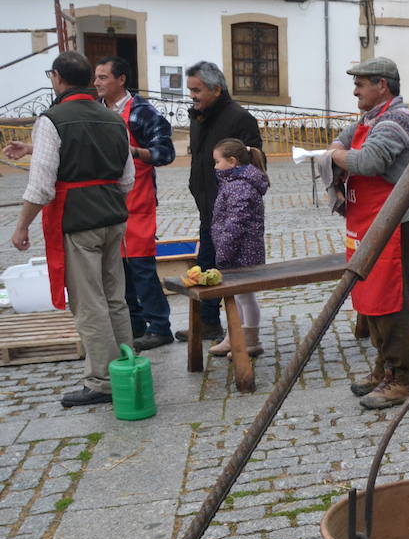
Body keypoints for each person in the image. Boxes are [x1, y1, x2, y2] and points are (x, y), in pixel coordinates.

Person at [4, 52, 134, 407]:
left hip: (78, 221)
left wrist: (21, 226)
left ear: (58, 78)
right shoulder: (112, 118)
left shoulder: (52, 119)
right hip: (113, 217)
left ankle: (103, 381)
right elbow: (127, 179)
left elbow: (41, 185)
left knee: (89, 303)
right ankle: (127, 365)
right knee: (114, 299)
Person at [330, 57, 409, 411]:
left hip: (400, 221)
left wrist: (339, 155)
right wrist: (342, 152)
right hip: (372, 220)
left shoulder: (398, 119)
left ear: (382, 86)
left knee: (391, 299)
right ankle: (384, 368)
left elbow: (369, 162)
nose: (355, 88)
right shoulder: (369, 118)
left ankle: (401, 377)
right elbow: (342, 144)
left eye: (361, 83)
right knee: (371, 296)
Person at [94, 56, 176, 351]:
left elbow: (165, 153)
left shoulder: (141, 112)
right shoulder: (96, 111)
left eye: (103, 77)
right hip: (108, 202)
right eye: (96, 78)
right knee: (119, 268)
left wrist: (135, 152)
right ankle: (134, 325)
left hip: (138, 200)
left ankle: (160, 326)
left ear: (121, 79)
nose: (98, 83)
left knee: (142, 266)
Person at [182, 62, 262, 343]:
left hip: (231, 208)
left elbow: (253, 162)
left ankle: (236, 331)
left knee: (226, 268)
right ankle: (209, 322)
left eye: (197, 89)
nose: (192, 95)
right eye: (190, 89)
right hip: (208, 205)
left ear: (216, 89)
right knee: (206, 263)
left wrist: (232, 196)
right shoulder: (198, 116)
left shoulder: (240, 118)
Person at [208, 140, 270, 358]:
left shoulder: (240, 186)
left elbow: (236, 223)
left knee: (245, 297)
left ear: (232, 162)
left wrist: (224, 251)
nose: (215, 167)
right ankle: (234, 336)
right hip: (238, 252)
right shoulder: (233, 183)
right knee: (236, 297)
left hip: (243, 253)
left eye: (217, 162)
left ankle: (250, 341)